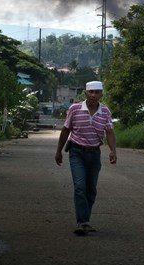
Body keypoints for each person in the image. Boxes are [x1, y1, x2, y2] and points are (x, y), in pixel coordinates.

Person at [55, 80, 117, 236]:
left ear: (101, 94)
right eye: (91, 92)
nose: (93, 95)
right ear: (85, 93)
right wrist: (59, 151)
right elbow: (65, 130)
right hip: (77, 152)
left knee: (91, 190)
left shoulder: (106, 112)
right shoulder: (75, 109)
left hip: (94, 154)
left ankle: (85, 220)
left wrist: (113, 151)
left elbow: (109, 132)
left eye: (97, 92)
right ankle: (82, 222)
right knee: (80, 186)